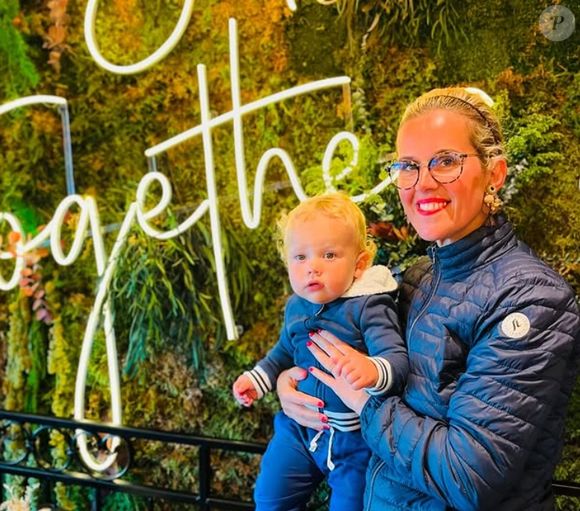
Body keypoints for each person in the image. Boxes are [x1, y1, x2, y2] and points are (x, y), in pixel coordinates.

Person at [277, 87, 580, 510]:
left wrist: (362, 404)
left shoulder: (531, 299)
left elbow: (468, 475)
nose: (423, 183)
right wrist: (290, 383)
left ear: (495, 173)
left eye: (446, 161)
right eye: (408, 166)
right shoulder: (416, 279)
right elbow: (351, 350)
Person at [232, 192, 409, 510]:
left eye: (328, 255)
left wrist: (371, 370)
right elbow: (283, 352)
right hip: (299, 430)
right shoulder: (296, 306)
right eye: (300, 257)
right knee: (269, 497)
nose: (311, 267)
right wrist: (256, 379)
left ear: (360, 264)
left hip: (354, 441)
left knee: (350, 505)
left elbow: (396, 360)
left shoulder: (369, 304)